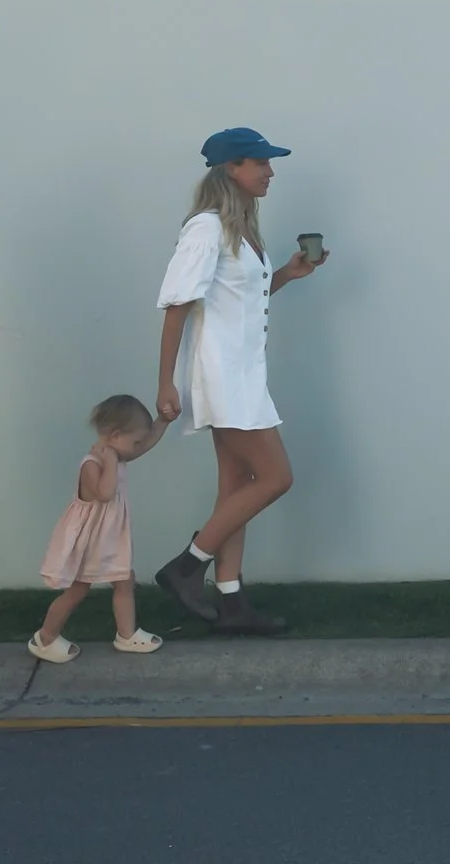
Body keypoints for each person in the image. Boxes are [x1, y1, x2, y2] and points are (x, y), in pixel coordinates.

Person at [151, 128, 325, 636]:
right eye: (260, 163)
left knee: (237, 486)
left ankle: (231, 602)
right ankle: (188, 566)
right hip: (222, 374)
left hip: (244, 372)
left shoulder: (241, 227)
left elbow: (239, 298)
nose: (270, 172)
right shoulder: (206, 229)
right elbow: (178, 305)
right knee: (276, 478)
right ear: (232, 169)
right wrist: (166, 383)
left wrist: (286, 276)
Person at [28, 395, 169, 662]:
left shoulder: (116, 455)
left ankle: (126, 635)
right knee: (78, 589)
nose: (137, 447)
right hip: (89, 541)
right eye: (134, 441)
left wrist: (163, 421)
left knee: (124, 579)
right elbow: (105, 494)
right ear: (115, 436)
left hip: (109, 537)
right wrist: (112, 463)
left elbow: (144, 445)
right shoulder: (92, 465)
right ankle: (44, 638)